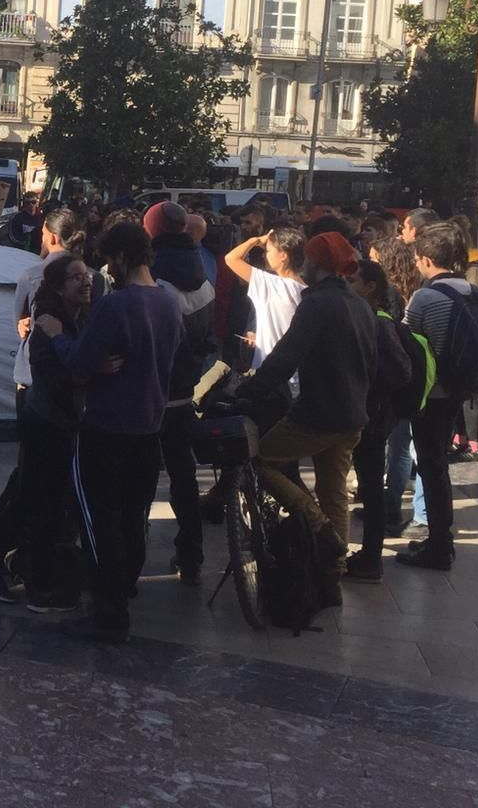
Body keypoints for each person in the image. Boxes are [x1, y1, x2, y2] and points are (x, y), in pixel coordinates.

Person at [38, 223, 182, 643]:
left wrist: (57, 336)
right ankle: (124, 587)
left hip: (105, 426)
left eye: (107, 260)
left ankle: (109, 611)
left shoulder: (115, 305)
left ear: (119, 258)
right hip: (149, 425)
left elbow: (80, 366)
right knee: (134, 516)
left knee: (100, 519)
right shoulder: (170, 302)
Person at [237, 232, 375, 604]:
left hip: (317, 414)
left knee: (259, 460)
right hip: (352, 415)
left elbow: (283, 359)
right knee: (334, 494)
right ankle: (332, 579)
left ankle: (322, 532)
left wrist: (246, 391)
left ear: (315, 265)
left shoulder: (317, 304)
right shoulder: (358, 303)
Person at [396, 223, 478, 572]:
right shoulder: (476, 293)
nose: (415, 264)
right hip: (459, 389)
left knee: (430, 467)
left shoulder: (426, 297)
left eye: (416, 259)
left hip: (431, 393)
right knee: (437, 465)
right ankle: (440, 540)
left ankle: (440, 545)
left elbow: (406, 341)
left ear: (427, 259)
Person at [146, 201, 216, 586]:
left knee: (139, 477)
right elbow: (207, 341)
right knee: (184, 477)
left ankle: (129, 554)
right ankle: (192, 556)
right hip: (184, 394)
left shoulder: (151, 280)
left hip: (149, 396)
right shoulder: (204, 280)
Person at [343, 260, 423, 584]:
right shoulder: (366, 319)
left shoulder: (379, 323)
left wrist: (368, 385)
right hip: (368, 414)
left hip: (372, 418)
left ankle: (370, 557)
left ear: (371, 287)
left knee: (372, 487)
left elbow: (401, 370)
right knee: (369, 486)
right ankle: (367, 556)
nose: (348, 285)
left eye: (353, 280)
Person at [20, 254, 91, 611]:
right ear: (59, 286)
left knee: (61, 505)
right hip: (47, 424)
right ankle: (40, 583)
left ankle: (62, 576)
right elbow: (53, 380)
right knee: (44, 505)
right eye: (76, 277)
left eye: (86, 275)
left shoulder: (82, 318)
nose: (86, 282)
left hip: (68, 424)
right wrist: (88, 371)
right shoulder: (47, 326)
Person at [222, 226, 306, 370]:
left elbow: (231, 258)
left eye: (267, 251)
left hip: (269, 368)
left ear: (283, 255)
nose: (263, 255)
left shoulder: (270, 284)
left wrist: (255, 240)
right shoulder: (307, 289)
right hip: (298, 370)